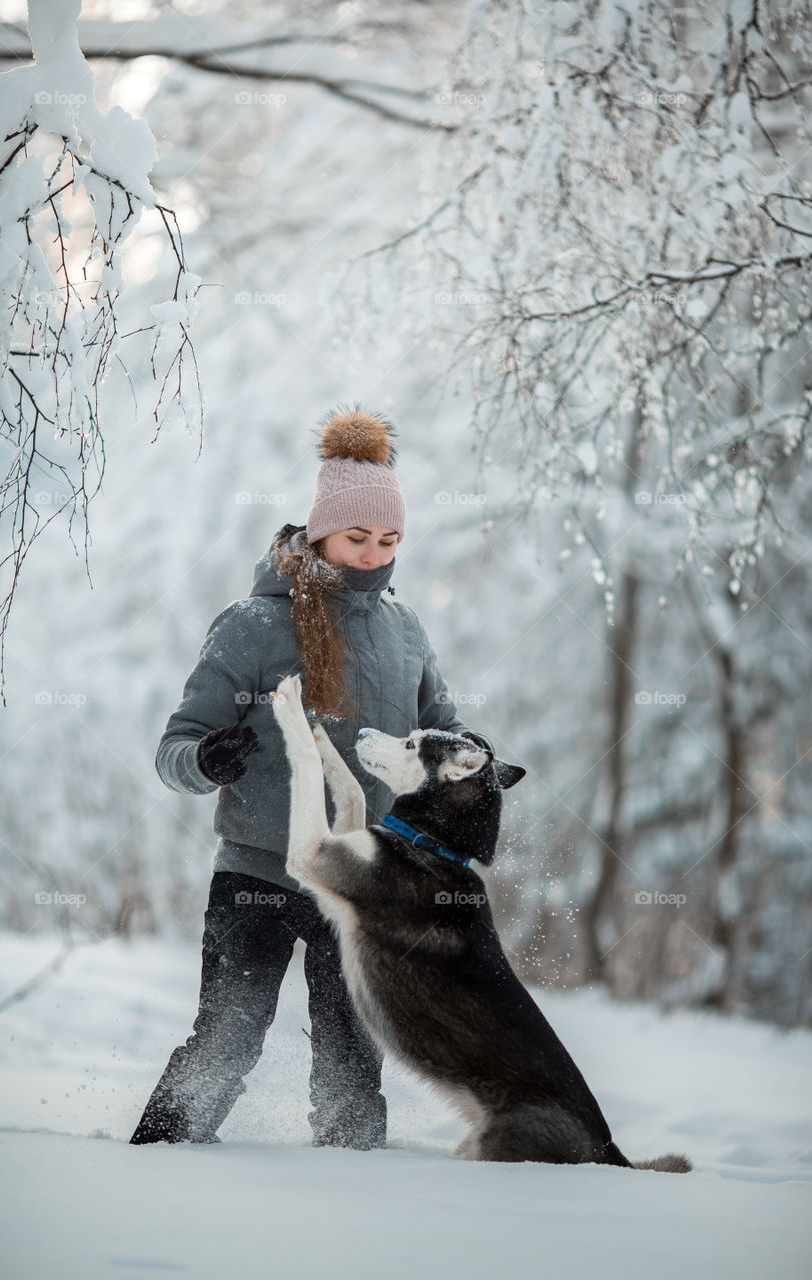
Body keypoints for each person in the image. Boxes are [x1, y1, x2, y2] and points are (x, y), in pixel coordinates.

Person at [129, 405, 493, 1148]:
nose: (373, 554)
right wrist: (205, 760)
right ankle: (158, 1163)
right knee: (228, 1038)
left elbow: (442, 729)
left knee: (353, 1054)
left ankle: (349, 1188)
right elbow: (177, 745)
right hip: (257, 871)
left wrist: (470, 750)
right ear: (319, 529)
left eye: (389, 540)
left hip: (361, 880)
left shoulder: (404, 629)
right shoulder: (252, 625)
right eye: (357, 537)